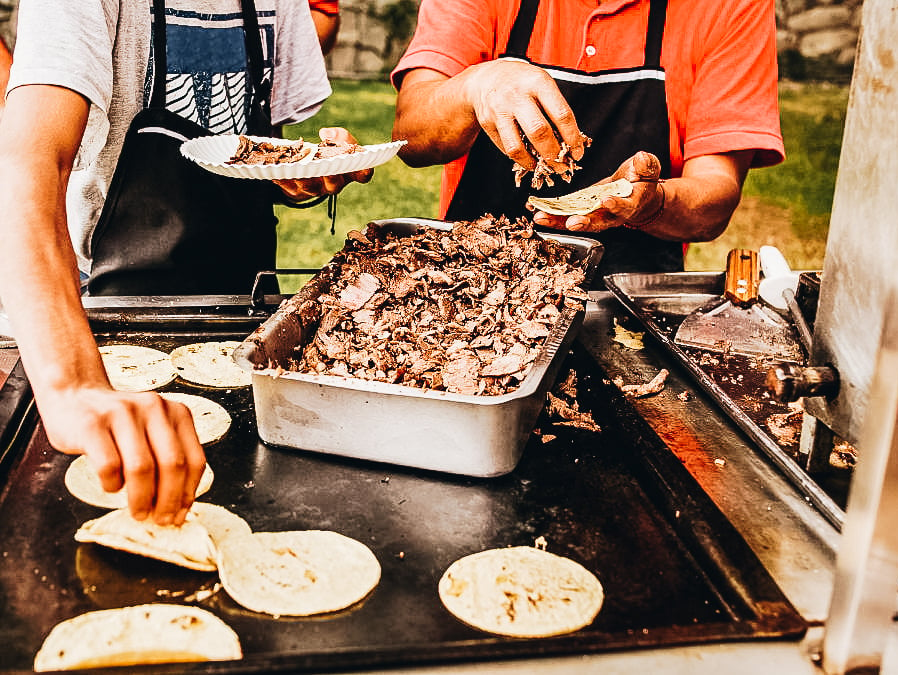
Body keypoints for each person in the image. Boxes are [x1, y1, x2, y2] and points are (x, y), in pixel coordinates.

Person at [0, 0, 372, 526]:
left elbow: (255, 144)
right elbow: (29, 162)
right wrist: (74, 386)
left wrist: (299, 172)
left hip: (241, 304)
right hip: (102, 306)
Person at [391, 0, 785, 276]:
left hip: (625, 302)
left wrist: (653, 204)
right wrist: (474, 85)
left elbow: (715, 196)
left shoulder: (733, 5)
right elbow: (412, 134)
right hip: (469, 282)